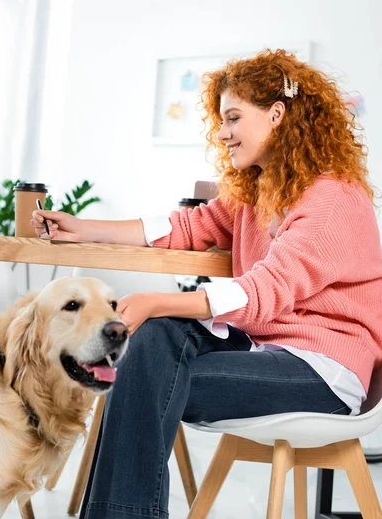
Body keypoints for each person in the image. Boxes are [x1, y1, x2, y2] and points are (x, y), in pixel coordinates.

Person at [32, 49, 382, 519]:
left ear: (277, 114)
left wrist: (158, 301)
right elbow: (185, 228)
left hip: (324, 373)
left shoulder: (334, 198)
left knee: (144, 371)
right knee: (154, 341)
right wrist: (85, 227)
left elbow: (262, 292)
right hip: (269, 353)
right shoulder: (259, 192)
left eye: (234, 117)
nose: (222, 132)